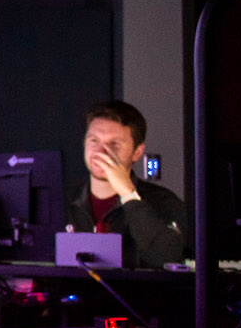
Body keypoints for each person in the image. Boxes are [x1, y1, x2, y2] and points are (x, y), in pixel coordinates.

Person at [63, 100, 188, 267]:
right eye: (94, 140)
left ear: (137, 153)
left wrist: (128, 194)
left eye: (114, 144)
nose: (101, 152)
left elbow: (167, 258)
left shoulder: (164, 202)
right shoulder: (62, 201)